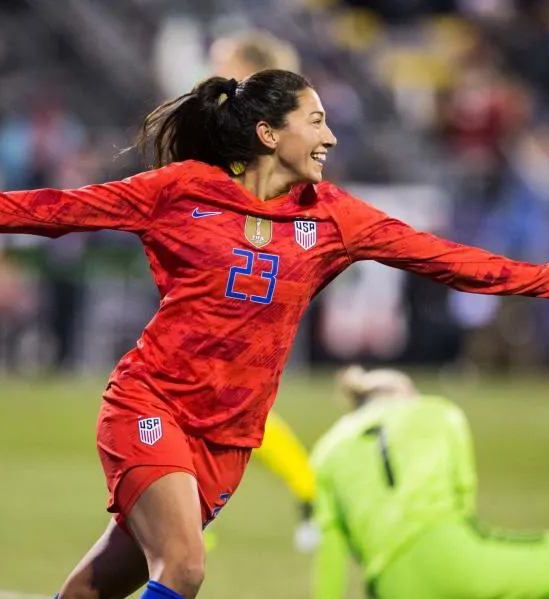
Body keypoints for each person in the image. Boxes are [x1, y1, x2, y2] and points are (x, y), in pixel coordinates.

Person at [0, 69, 549, 599]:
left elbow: (445, 258)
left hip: (227, 441)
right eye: (315, 122)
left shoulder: (334, 217)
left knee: (98, 586)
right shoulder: (180, 191)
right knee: (183, 566)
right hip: (150, 403)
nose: (329, 137)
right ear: (267, 133)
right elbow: (54, 210)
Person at [310, 365, 549, 599]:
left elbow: (332, 550)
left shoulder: (326, 452)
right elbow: (464, 497)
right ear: (406, 391)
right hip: (454, 556)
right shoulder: (436, 410)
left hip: (390, 585)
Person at [209, 28, 318, 552]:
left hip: (240, 276)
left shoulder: (258, 139)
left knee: (225, 400)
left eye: (222, 61)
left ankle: (309, 490)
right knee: (223, 399)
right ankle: (309, 491)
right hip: (228, 272)